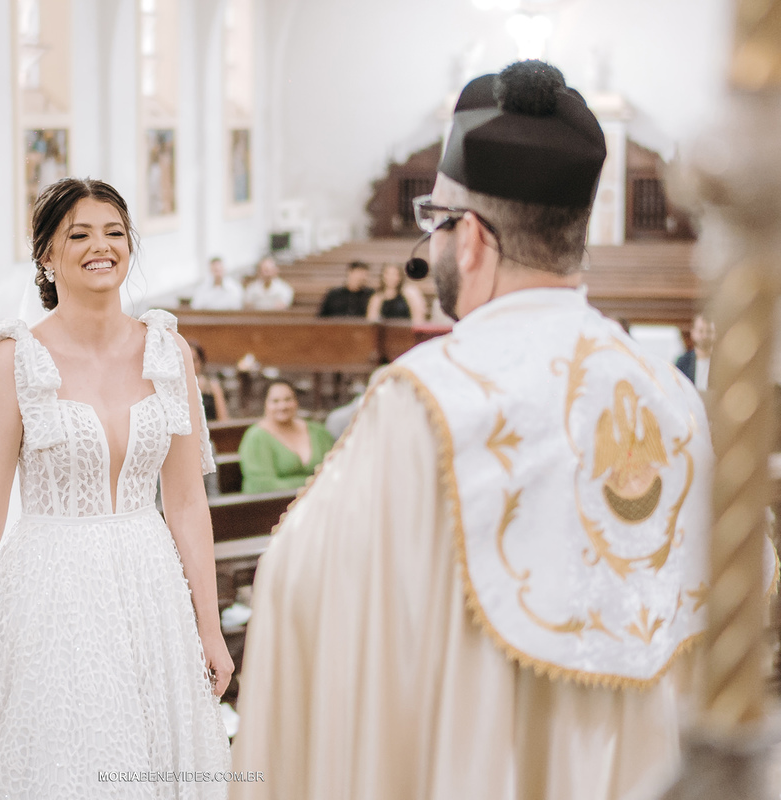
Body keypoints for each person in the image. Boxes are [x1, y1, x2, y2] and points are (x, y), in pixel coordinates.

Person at [230, 61, 713, 800]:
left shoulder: (423, 404)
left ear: (475, 240)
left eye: (438, 224)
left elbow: (308, 589)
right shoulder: (673, 399)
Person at [0, 178, 231, 799]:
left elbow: (185, 502)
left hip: (149, 587)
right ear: (47, 256)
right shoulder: (13, 360)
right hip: (49, 592)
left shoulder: (169, 351)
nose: (100, 246)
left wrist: (208, 627)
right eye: (78, 234)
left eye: (113, 232)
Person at [237, 380, 334, 493]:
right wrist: (314, 484)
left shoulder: (318, 432)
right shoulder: (256, 438)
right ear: (265, 404)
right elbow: (262, 485)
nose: (282, 406)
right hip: (275, 506)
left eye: (288, 399)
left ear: (296, 402)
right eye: (275, 401)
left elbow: (335, 470)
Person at [191, 341, 229, 421]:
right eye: (187, 360)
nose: (191, 365)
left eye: (194, 360)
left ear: (201, 362)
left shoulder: (213, 386)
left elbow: (223, 419)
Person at [675, 313, 714, 390]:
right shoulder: (683, 362)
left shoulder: (722, 363)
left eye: (709, 331)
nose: (705, 336)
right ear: (693, 333)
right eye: (700, 331)